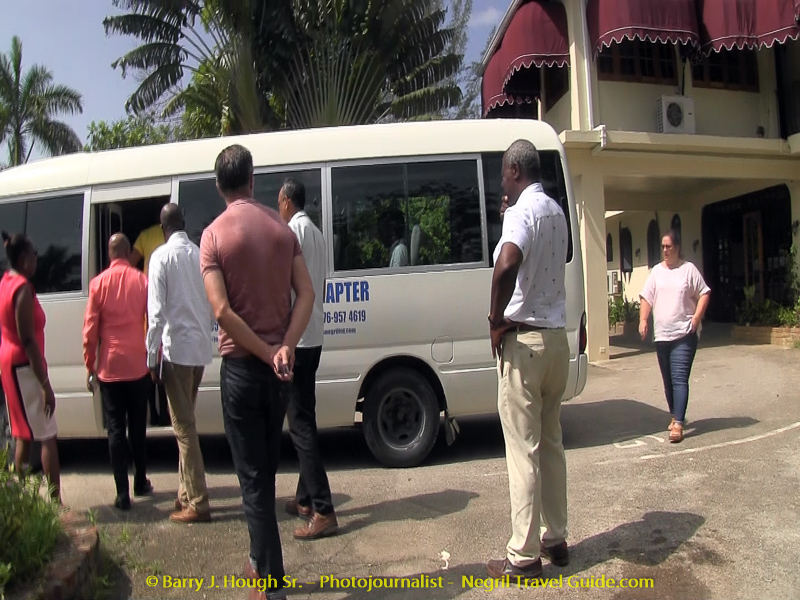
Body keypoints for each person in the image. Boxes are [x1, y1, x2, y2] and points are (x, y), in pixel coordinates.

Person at [200, 145, 315, 600]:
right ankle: (257, 561)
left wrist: (266, 351)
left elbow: (221, 312)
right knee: (264, 475)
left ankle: (272, 583)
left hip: (243, 372)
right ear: (252, 179)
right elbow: (306, 294)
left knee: (252, 481)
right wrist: (285, 346)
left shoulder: (213, 236)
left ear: (219, 185)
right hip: (279, 374)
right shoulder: (282, 230)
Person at [486, 140, 571, 582]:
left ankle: (523, 556)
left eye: (504, 173)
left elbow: (507, 264)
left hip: (525, 343)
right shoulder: (555, 210)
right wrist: (508, 220)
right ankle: (555, 538)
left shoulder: (522, 212)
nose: (502, 181)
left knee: (524, 451)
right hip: (556, 341)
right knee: (551, 442)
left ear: (515, 171)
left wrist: (495, 319)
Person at [277, 178, 338, 540]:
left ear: (287, 201)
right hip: (313, 334)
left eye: (279, 202)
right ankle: (304, 498)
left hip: (297, 338)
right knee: (305, 418)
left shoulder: (291, 233)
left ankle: (323, 509)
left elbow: (285, 287)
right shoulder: (315, 233)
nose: (278, 207)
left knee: (299, 424)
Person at [146, 204, 214, 523]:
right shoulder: (199, 254)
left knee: (184, 428)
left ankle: (198, 502)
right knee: (185, 423)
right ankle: (185, 493)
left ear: (163, 229)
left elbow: (156, 313)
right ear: (183, 224)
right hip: (199, 351)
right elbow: (209, 303)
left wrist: (151, 356)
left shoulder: (161, 257)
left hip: (176, 354)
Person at [83, 234, 152, 510]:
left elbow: (90, 330)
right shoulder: (142, 280)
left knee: (115, 428)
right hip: (137, 364)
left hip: (109, 367)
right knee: (138, 426)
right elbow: (152, 320)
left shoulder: (98, 284)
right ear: (127, 251)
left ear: (110, 254)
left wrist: (90, 364)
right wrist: (154, 356)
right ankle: (141, 481)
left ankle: (122, 493)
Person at [0, 231, 61, 501]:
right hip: (25, 368)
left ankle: (20, 501)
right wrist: (45, 385)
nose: (37, 258)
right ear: (24, 258)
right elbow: (27, 339)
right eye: (34, 254)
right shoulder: (22, 289)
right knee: (47, 434)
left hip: (10, 365)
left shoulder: (6, 281)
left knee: (22, 433)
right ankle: (56, 502)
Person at [639, 229, 710, 443]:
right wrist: (643, 320)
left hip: (684, 335)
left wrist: (696, 318)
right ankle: (675, 414)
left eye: (668, 246)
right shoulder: (656, 272)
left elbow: (704, 293)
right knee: (668, 381)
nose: (665, 250)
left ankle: (678, 423)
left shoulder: (688, 270)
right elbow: (647, 297)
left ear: (677, 248)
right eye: (662, 246)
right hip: (662, 336)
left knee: (679, 378)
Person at [131, 221, 169, 426]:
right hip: (167, 307)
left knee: (149, 368)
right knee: (163, 367)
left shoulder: (144, 235)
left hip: (149, 307)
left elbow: (129, 263)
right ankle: (164, 414)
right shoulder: (172, 235)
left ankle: (154, 414)